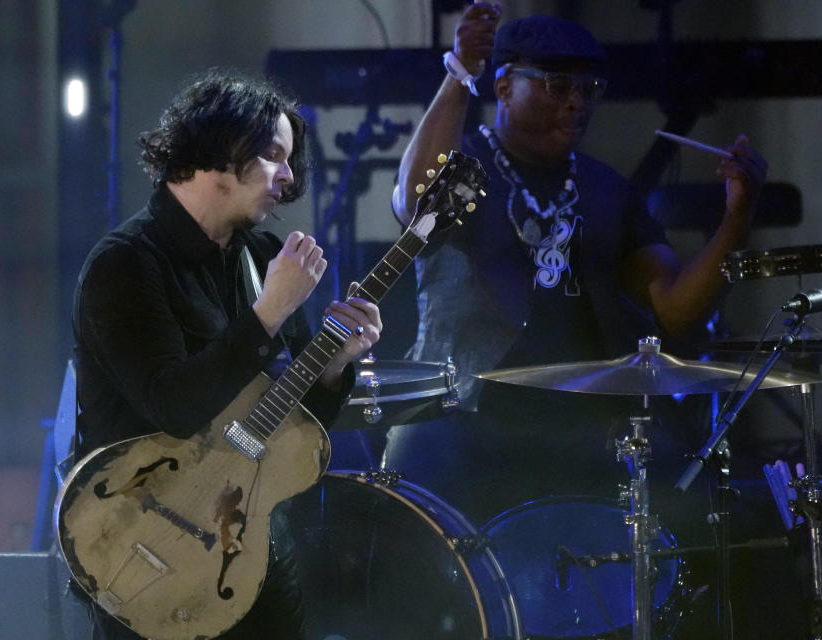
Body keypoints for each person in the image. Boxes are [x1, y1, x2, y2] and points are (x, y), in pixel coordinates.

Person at [383, 6, 767, 525]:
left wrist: (736, 217)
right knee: (417, 480)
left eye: (590, 90)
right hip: (465, 415)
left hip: (580, 424)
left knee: (700, 503)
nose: (576, 102)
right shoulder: (465, 165)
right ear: (504, 88)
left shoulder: (606, 188)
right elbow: (416, 203)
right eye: (557, 85)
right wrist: (459, 72)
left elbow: (676, 310)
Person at [69, 68, 382, 640]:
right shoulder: (125, 264)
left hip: (251, 546)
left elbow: (293, 425)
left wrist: (336, 366)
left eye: (290, 160)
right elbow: (174, 407)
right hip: (145, 541)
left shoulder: (263, 255)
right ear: (217, 149)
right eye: (272, 155)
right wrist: (268, 313)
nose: (287, 177)